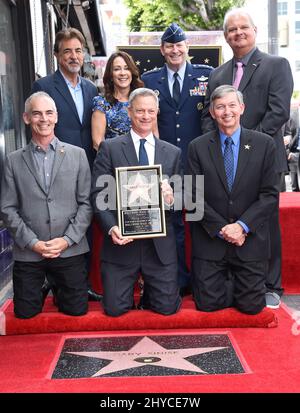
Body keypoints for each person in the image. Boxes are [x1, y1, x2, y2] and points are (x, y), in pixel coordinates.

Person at [201, 8, 294, 309]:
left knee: (265, 219)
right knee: (229, 213)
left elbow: (278, 112)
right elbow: (208, 115)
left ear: (254, 30)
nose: (238, 33)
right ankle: (234, 277)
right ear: (225, 36)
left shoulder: (276, 65)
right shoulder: (217, 74)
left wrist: (249, 144)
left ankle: (271, 285)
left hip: (264, 157)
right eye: (231, 29)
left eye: (243, 27)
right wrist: (215, 146)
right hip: (223, 159)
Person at [0, 92, 92, 319]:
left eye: (49, 113)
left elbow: (86, 204)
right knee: (25, 314)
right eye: (37, 113)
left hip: (69, 249)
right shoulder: (13, 160)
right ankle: (45, 287)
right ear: (26, 118)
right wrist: (33, 243)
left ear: (56, 117)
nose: (44, 119)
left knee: (76, 310)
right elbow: (7, 208)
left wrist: (67, 239)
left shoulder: (78, 155)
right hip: (30, 252)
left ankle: (59, 289)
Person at [187, 85, 278, 314]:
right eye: (220, 107)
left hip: (249, 240)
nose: (226, 111)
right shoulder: (196, 147)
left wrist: (241, 226)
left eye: (231, 105)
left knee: (251, 308)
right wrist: (222, 229)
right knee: (208, 305)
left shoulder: (264, 144)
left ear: (242, 108)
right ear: (212, 112)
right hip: (211, 241)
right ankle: (225, 286)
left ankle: (243, 287)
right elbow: (192, 196)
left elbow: (270, 195)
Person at [91, 88, 182, 317]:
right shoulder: (110, 148)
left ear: (157, 112)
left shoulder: (172, 153)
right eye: (140, 110)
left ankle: (151, 294)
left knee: (167, 309)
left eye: (151, 111)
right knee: (114, 309)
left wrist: (171, 198)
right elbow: (98, 194)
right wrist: (112, 227)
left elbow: (184, 198)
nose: (145, 116)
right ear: (129, 112)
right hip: (122, 242)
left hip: (158, 246)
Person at [142, 23, 214, 295]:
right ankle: (177, 280)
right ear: (162, 49)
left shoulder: (206, 77)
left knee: (197, 221)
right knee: (170, 224)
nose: (175, 50)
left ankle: (200, 280)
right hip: (166, 165)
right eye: (169, 46)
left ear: (187, 48)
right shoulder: (150, 80)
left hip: (197, 164)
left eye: (179, 45)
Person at [31, 28, 101, 302]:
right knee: (60, 222)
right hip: (57, 167)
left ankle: (80, 284)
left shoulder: (91, 88)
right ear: (57, 55)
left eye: (78, 50)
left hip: (87, 166)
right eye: (67, 51)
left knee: (84, 220)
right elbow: (41, 128)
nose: (74, 56)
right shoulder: (45, 87)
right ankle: (59, 285)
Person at [91, 51, 144, 150]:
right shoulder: (101, 103)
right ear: (111, 75)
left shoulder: (142, 101)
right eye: (117, 69)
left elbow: (153, 134)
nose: (123, 73)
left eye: (127, 68)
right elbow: (98, 142)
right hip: (114, 162)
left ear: (132, 72)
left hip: (142, 161)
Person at [284, 117, 300, 192]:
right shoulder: (291, 120)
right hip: (293, 152)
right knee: (294, 185)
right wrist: (289, 151)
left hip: (296, 154)